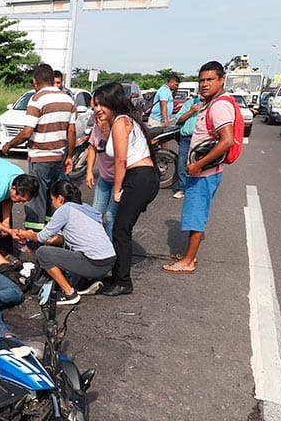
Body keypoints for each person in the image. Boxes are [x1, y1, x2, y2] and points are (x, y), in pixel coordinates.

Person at [163, 61, 235, 274]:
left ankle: (188, 261)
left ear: (221, 80)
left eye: (210, 79)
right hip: (202, 171)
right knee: (194, 214)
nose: (204, 84)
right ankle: (188, 255)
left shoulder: (220, 105)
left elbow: (227, 140)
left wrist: (199, 165)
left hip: (204, 172)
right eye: (201, 80)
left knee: (196, 216)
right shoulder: (208, 103)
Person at [93, 82, 160, 296]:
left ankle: (123, 282)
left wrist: (117, 190)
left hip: (139, 179)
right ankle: (117, 275)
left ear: (113, 103)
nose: (97, 109)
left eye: (102, 104)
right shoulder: (120, 121)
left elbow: (121, 160)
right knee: (120, 228)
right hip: (140, 178)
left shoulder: (121, 122)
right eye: (95, 104)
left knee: (121, 230)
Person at [2, 64, 76, 233]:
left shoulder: (37, 99)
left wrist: (9, 144)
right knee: (53, 198)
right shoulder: (68, 99)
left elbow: (27, 132)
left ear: (35, 82)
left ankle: (32, 238)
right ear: (52, 80)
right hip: (59, 157)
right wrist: (70, 156)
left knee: (35, 199)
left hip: (40, 158)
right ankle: (51, 234)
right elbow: (71, 131)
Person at [17, 180, 116, 305]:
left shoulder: (64, 210)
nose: (52, 205)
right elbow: (72, 235)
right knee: (64, 251)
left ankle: (69, 293)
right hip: (109, 261)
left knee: (43, 253)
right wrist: (55, 239)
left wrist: (27, 234)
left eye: (52, 200)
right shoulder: (86, 208)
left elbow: (41, 237)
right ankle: (85, 283)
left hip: (94, 264)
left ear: (60, 198)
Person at [85, 104, 116, 238]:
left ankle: (110, 249)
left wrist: (107, 132)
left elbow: (117, 151)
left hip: (120, 180)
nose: (97, 110)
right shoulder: (96, 127)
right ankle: (94, 243)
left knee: (110, 216)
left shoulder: (119, 125)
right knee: (95, 213)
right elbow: (92, 148)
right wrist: (89, 171)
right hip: (104, 178)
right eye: (95, 107)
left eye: (101, 106)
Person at [171, 92, 201, 199]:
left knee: (200, 164)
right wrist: (192, 111)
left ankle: (196, 188)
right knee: (182, 163)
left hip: (201, 140)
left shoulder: (211, 105)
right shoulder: (189, 103)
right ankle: (182, 188)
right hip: (186, 138)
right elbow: (179, 119)